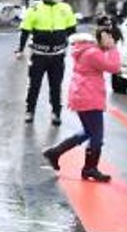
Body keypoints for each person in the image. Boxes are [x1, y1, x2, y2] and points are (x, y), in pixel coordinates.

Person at [41, 18, 122, 183]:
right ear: (104, 36)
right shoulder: (93, 53)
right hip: (88, 96)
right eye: (112, 39)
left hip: (84, 95)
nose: (113, 42)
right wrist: (113, 48)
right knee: (96, 135)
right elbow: (114, 67)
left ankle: (55, 152)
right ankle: (89, 168)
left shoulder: (88, 50)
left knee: (88, 132)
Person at [16, 0, 77, 125]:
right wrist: (20, 49)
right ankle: (30, 111)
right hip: (39, 55)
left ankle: (56, 113)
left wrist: (72, 46)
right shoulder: (34, 9)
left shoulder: (65, 9)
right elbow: (25, 30)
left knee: (56, 86)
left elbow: (72, 31)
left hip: (57, 55)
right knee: (34, 85)